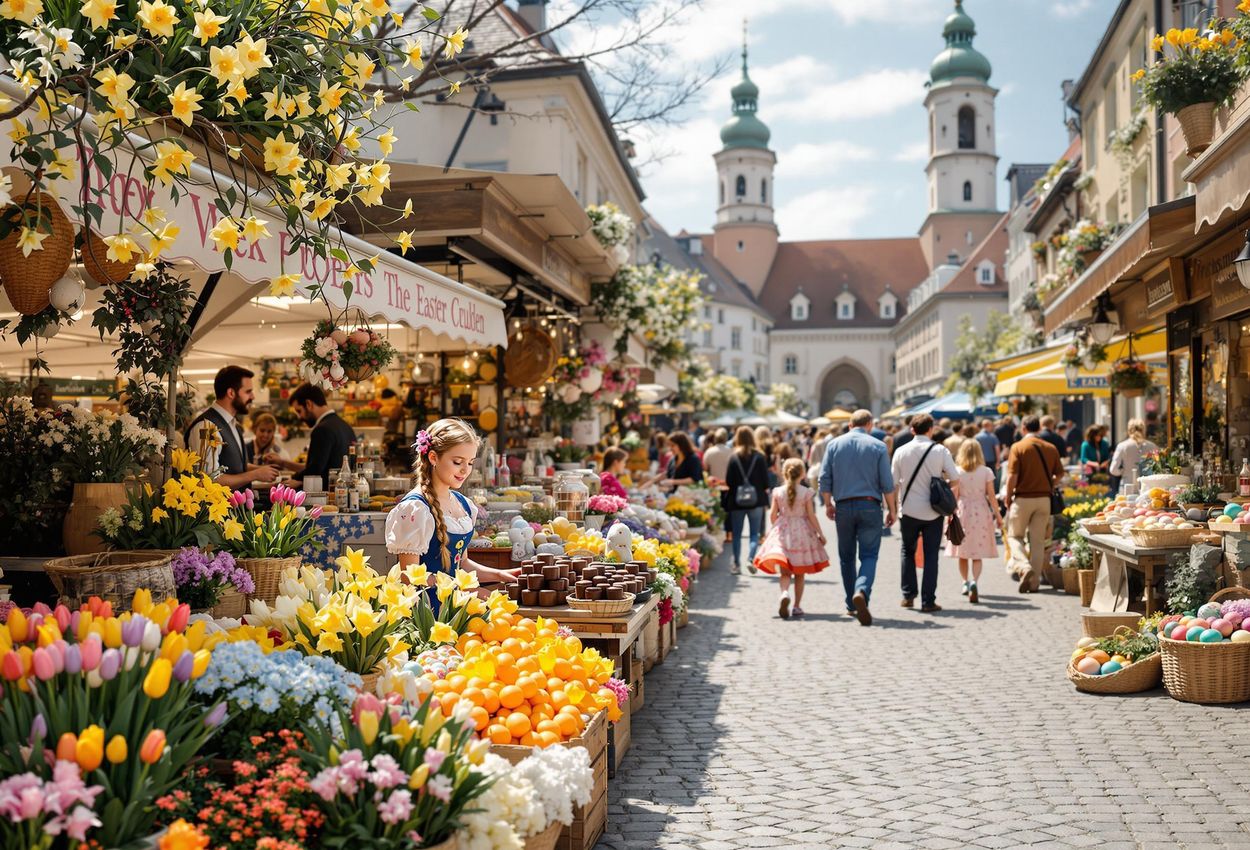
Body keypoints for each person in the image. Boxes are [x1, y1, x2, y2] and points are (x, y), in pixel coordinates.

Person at [385, 419, 519, 611]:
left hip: (456, 609)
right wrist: (470, 591)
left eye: (471, 462)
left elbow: (461, 564)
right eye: (457, 462)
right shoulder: (415, 510)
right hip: (426, 613)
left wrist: (500, 575)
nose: (465, 470)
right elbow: (408, 576)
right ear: (433, 457)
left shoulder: (463, 505)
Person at [820, 409, 897, 626]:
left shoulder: (834, 445)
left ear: (849, 424)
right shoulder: (878, 446)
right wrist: (891, 509)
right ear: (870, 424)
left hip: (843, 506)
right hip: (870, 505)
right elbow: (887, 483)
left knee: (846, 557)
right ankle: (861, 590)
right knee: (869, 555)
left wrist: (827, 503)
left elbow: (824, 478)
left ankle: (851, 604)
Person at [892, 413, 959, 613]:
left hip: (909, 510)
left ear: (912, 430)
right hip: (934, 510)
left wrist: (893, 509)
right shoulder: (940, 451)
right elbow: (955, 479)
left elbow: (893, 483)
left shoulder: (901, 451)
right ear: (931, 429)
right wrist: (941, 485)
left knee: (907, 551)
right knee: (931, 556)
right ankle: (928, 601)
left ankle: (908, 596)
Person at [753, 458, 829, 619]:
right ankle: (796, 606)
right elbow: (811, 515)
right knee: (800, 573)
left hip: (783, 531)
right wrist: (820, 534)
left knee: (785, 572)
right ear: (802, 474)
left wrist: (777, 526)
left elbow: (773, 514)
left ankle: (784, 594)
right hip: (802, 531)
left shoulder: (777, 492)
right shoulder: (806, 492)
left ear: (785, 473)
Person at [186, 366, 280, 489]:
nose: (253, 397)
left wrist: (261, 469)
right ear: (231, 393)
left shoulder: (232, 424)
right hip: (217, 508)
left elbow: (234, 465)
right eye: (248, 392)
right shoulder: (207, 427)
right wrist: (255, 474)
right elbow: (208, 479)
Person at [1004, 415, 1065, 592]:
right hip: (1044, 499)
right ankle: (1034, 583)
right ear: (1038, 428)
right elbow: (1060, 474)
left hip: (1023, 499)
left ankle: (1023, 567)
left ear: (1023, 428)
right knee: (1038, 542)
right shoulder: (1050, 447)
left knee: (1014, 536)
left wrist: (1008, 498)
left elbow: (1012, 477)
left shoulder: (1018, 447)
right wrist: (1050, 485)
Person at [947, 440, 1002, 604]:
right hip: (981, 510)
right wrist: (998, 516)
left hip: (963, 510)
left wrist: (949, 514)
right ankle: (974, 582)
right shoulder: (986, 471)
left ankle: (964, 582)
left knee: (962, 552)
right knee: (977, 552)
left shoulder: (957, 471)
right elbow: (992, 496)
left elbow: (953, 495)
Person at [275, 383, 358, 488]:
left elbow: (315, 469)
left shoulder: (322, 429)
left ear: (308, 404)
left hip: (326, 494)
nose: (300, 417)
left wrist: (294, 480)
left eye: (299, 411)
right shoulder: (345, 426)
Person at [725, 426, 770, 575]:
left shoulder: (733, 457)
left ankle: (736, 565)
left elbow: (729, 481)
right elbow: (766, 482)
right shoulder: (759, 457)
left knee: (736, 534)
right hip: (756, 500)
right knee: (754, 534)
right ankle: (751, 559)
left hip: (736, 502)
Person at [1110, 419, 1158, 494]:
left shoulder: (1122, 446)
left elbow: (1113, 469)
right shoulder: (1152, 446)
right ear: (1143, 430)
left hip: (1127, 486)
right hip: (1147, 487)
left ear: (1129, 430)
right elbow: (1158, 468)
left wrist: (1123, 471)